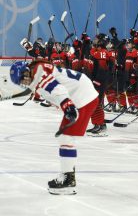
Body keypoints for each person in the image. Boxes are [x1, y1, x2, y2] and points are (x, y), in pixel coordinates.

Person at [10, 59, 99, 195]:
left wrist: (67, 105)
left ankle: (68, 180)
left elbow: (57, 88)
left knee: (66, 138)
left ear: (27, 70)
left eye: (24, 77)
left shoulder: (39, 74)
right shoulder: (37, 71)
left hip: (82, 96)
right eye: (21, 81)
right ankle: (68, 176)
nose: (24, 82)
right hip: (82, 92)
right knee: (66, 138)